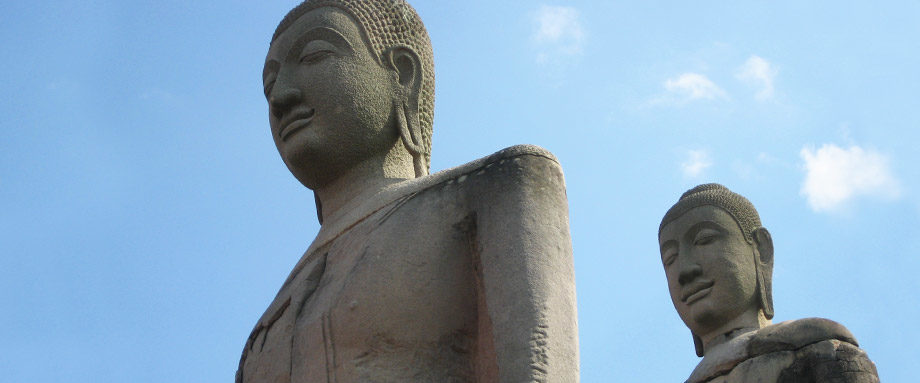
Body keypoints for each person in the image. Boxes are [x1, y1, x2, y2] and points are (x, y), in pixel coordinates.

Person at [237, 1, 579, 382]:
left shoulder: (495, 187)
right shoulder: (264, 328)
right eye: (268, 86)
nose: (280, 97)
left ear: (402, 73)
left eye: (316, 56)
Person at [658, 183, 879, 383]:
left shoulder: (817, 351)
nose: (685, 270)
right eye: (670, 259)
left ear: (761, 251)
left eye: (704, 240)